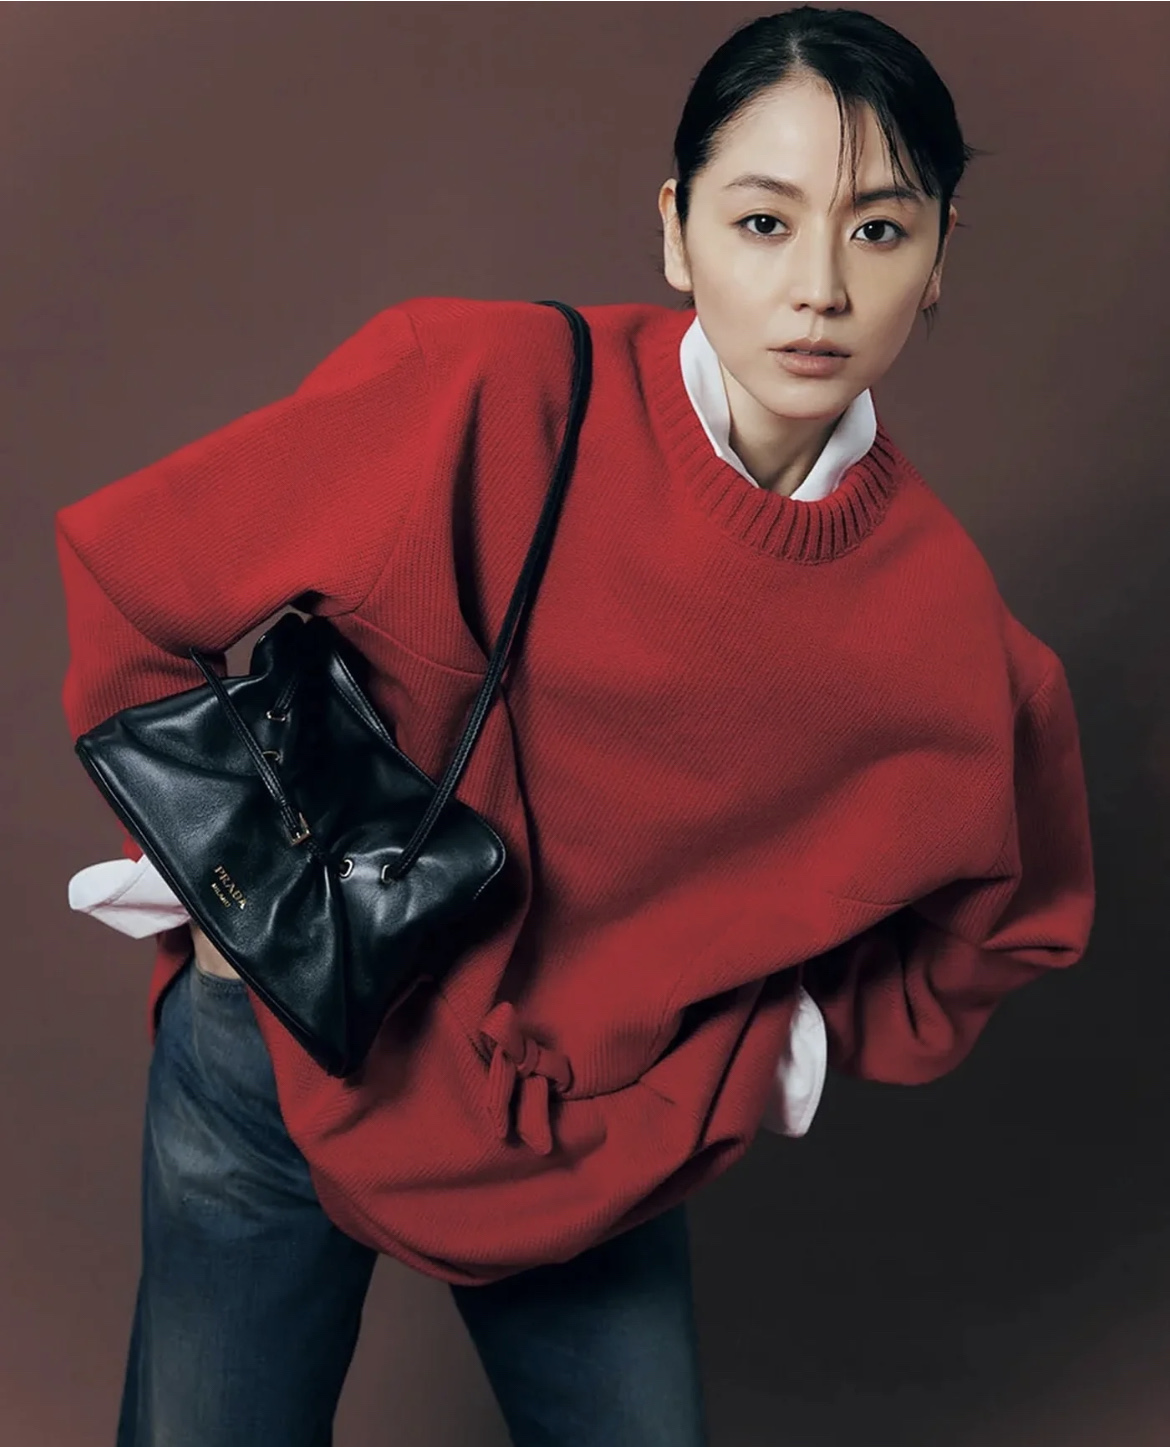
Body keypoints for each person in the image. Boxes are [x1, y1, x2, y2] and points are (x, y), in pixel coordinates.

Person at [54, 7, 1095, 1446]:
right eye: (762, 221)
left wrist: (755, 1051)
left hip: (593, 1143)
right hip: (287, 1061)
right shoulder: (489, 391)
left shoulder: (957, 646)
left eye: (875, 230)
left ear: (936, 260)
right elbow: (138, 574)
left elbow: (1012, 929)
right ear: (676, 231)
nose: (816, 288)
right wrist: (226, 899)